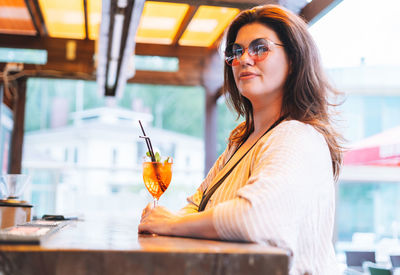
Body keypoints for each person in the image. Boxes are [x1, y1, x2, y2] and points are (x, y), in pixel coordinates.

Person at [139, 4, 343, 275]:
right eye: (236, 51)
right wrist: (168, 218)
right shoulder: (240, 141)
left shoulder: (298, 136)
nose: (244, 59)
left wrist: (169, 223)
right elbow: (195, 206)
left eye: (260, 48)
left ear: (293, 59)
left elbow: (254, 216)